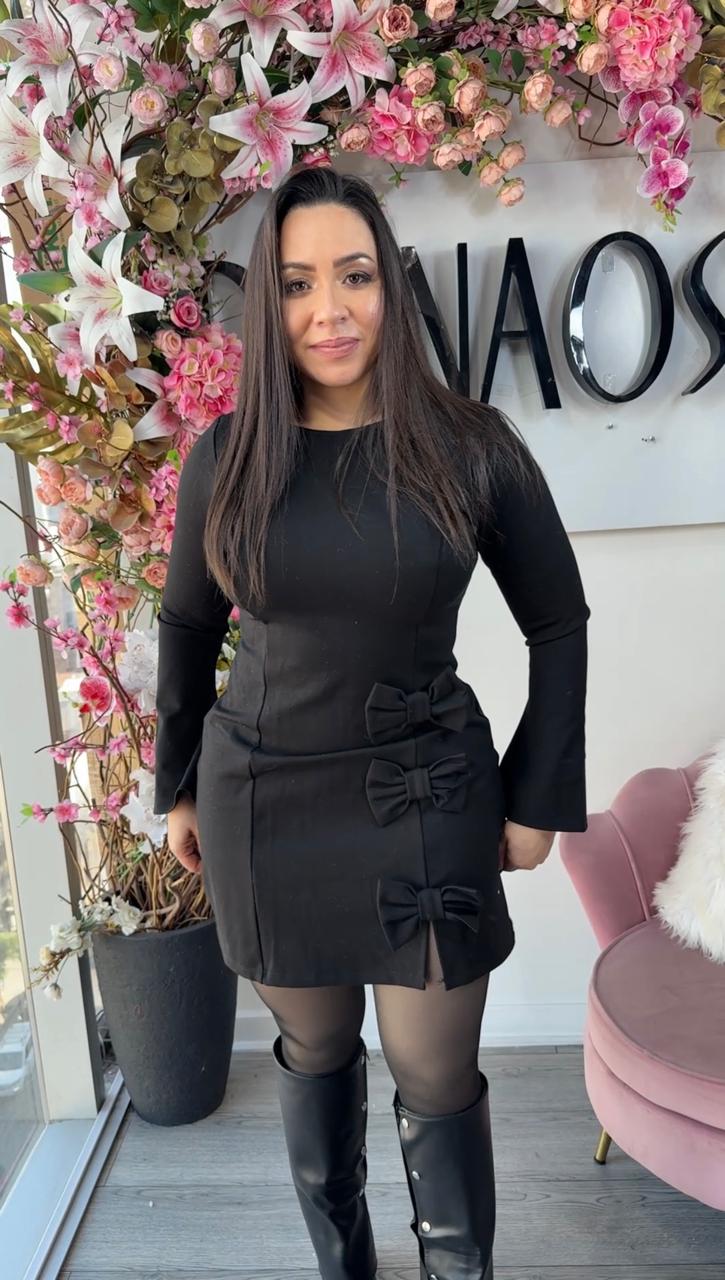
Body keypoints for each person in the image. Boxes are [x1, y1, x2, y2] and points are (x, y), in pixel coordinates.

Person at [153, 165, 590, 1280]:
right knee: (313, 1049)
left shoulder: (470, 444)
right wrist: (178, 783)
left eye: (352, 275)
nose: (328, 309)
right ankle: (341, 1264)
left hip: (425, 798)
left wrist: (538, 796)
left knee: (434, 1075)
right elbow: (188, 625)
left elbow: (557, 621)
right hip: (266, 805)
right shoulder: (226, 456)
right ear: (269, 304)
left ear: (389, 285)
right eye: (297, 284)